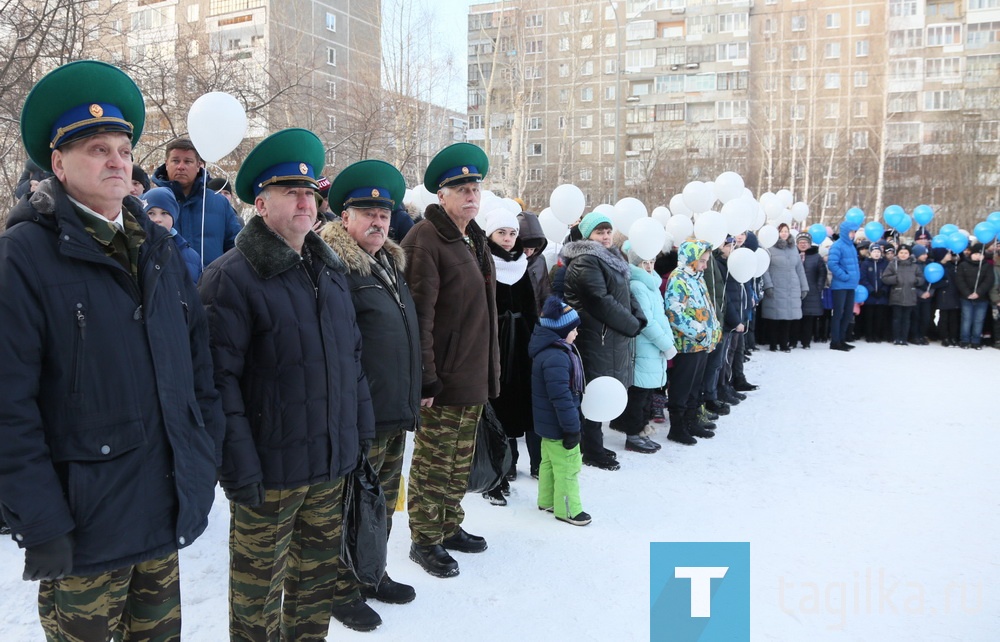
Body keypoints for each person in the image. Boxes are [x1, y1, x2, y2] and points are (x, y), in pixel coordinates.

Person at [0, 59, 223, 641]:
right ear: (57, 163)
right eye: (97, 149)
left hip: (162, 510)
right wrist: (40, 519)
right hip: (84, 529)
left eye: (123, 149)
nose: (117, 161)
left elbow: (199, 369)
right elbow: (8, 405)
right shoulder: (22, 257)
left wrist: (202, 457)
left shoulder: (158, 247)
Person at [199, 128, 375, 639]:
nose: (305, 202)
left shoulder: (329, 268)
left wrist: (357, 432)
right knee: (258, 598)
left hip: (329, 462)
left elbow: (351, 356)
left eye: (310, 193)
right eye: (290, 193)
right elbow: (217, 382)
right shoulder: (232, 277)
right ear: (261, 203)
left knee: (314, 585)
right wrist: (238, 466)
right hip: (268, 474)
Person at [319, 159, 420, 628]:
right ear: (346, 218)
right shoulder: (336, 266)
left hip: (393, 408)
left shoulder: (388, 263)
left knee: (381, 500)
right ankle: (342, 589)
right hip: (361, 413)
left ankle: (373, 573)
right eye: (367, 213)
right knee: (353, 503)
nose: (378, 221)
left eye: (384, 214)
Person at [401, 142, 500, 578]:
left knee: (459, 460)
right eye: (460, 188)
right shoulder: (427, 238)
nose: (470, 195)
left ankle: (449, 524)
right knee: (433, 461)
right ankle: (424, 539)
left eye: (474, 187)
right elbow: (420, 315)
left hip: (472, 374)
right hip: (443, 378)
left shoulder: (474, 238)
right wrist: (426, 378)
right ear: (440, 196)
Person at [561, 212, 646, 470]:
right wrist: (631, 325)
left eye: (608, 231)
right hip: (594, 340)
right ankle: (591, 449)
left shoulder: (613, 258)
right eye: (600, 232)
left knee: (603, 390)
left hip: (611, 338)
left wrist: (638, 316)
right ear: (588, 235)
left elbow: (625, 293)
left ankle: (595, 445)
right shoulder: (586, 261)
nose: (606, 236)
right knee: (593, 393)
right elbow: (600, 301)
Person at [480, 208, 538, 503]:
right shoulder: (483, 262)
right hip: (495, 341)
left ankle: (511, 462)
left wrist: (534, 337)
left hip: (521, 343)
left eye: (512, 233)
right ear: (490, 233)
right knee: (496, 405)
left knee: (517, 403)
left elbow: (530, 305)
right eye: (501, 232)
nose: (507, 239)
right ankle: (495, 475)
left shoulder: (520, 263)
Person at [529, 297, 591, 526]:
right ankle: (568, 509)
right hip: (559, 424)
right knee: (568, 466)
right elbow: (561, 399)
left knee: (549, 462)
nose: (576, 333)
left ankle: (547, 499)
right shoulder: (556, 357)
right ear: (561, 331)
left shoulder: (548, 351)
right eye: (573, 329)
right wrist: (572, 428)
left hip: (547, 425)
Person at [611, 248, 677, 453]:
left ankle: (640, 430)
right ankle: (633, 434)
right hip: (644, 346)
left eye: (651, 261)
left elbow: (661, 316)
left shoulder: (652, 283)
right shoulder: (639, 285)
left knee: (646, 392)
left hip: (654, 346)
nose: (649, 266)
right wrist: (666, 344)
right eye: (644, 262)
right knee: (638, 393)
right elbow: (647, 322)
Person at [664, 240, 722, 445]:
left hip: (702, 344)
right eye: (703, 261)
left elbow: (707, 307)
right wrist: (698, 332)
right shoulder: (678, 279)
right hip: (687, 344)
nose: (705, 266)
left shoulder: (697, 278)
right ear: (691, 260)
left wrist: (713, 330)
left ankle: (691, 420)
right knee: (682, 386)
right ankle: (677, 427)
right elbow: (674, 313)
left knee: (695, 386)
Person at [152, 137, 243, 266]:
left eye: (188, 161)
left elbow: (236, 249)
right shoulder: (151, 202)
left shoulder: (220, 204)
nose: (181, 167)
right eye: (175, 161)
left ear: (198, 166)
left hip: (212, 284)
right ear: (166, 164)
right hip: (166, 284)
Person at [761, 223, 808, 352]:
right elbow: (765, 269)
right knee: (774, 318)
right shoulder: (769, 248)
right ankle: (773, 343)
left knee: (787, 318)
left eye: (786, 231)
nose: (784, 233)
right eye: (782, 231)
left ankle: (784, 343)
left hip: (792, 286)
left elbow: (799, 269)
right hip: (776, 285)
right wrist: (768, 285)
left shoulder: (793, 248)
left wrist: (804, 287)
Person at [143, 186, 203, 283]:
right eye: (151, 213)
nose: (157, 219)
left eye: (164, 213)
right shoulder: (136, 250)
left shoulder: (191, 256)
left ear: (174, 217)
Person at [882, 244, 926, 345]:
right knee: (897, 318)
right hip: (897, 295)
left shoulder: (914, 266)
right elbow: (885, 277)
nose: (903, 255)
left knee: (907, 319)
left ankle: (904, 338)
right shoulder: (893, 264)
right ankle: (896, 338)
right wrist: (895, 279)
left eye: (906, 253)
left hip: (910, 295)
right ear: (897, 254)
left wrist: (915, 280)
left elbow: (921, 279)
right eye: (901, 253)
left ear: (909, 254)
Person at [955, 242, 995, 349]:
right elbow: (960, 280)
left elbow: (988, 281)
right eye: (976, 254)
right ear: (971, 254)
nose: (978, 256)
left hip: (982, 298)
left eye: (980, 254)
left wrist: (978, 293)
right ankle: (964, 340)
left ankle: (976, 340)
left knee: (979, 320)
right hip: (966, 297)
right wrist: (967, 293)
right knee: (966, 319)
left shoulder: (987, 266)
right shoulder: (963, 265)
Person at [828, 221, 861, 351]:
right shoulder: (837, 246)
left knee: (848, 314)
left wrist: (854, 279)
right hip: (840, 286)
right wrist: (845, 277)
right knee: (838, 314)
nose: (853, 234)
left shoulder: (851, 246)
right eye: (851, 231)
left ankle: (842, 339)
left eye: (854, 232)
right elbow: (832, 264)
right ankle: (835, 341)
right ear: (845, 232)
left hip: (850, 286)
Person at [796, 232, 828, 349]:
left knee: (808, 318)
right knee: (795, 317)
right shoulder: (794, 254)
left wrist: (818, 287)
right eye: (800, 242)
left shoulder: (816, 257)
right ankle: (793, 340)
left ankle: (806, 342)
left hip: (811, 290)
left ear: (809, 244)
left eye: (805, 242)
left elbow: (822, 273)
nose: (803, 245)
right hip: (795, 290)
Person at [859, 243, 891, 343]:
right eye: (874, 252)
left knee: (879, 316)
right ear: (870, 253)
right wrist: (871, 290)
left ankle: (877, 335)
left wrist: (883, 290)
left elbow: (888, 278)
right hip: (869, 295)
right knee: (869, 316)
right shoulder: (865, 263)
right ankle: (869, 335)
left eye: (878, 252)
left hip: (881, 296)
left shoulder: (885, 264)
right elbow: (863, 278)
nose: (876, 254)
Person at [930, 248, 961, 346]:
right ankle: (944, 337)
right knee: (944, 317)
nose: (949, 255)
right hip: (943, 295)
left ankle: (953, 337)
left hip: (954, 294)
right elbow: (933, 283)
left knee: (953, 318)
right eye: (947, 253)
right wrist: (945, 283)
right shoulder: (937, 267)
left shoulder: (952, 266)